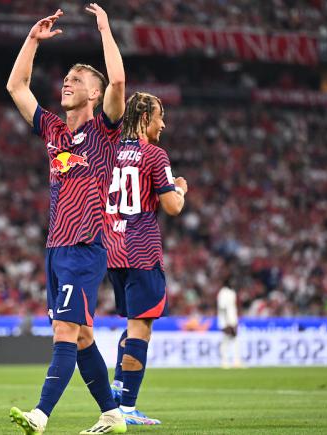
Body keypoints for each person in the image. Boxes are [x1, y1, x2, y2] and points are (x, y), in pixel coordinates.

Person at [5, 4, 126, 434]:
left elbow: (117, 80)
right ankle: (112, 414)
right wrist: (32, 40)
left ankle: (40, 416)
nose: (68, 83)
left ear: (94, 95)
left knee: (63, 330)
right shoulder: (54, 130)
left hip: (85, 245)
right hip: (55, 248)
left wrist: (105, 28)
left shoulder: (104, 131)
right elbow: (16, 85)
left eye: (78, 80)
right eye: (66, 78)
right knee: (82, 337)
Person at [104, 92, 187, 425]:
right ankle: (126, 408)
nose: (163, 123)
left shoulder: (108, 152)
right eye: (159, 116)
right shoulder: (154, 155)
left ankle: (119, 389)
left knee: (132, 324)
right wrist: (179, 187)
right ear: (144, 118)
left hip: (113, 249)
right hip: (141, 249)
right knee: (142, 328)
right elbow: (173, 207)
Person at [217, 277, 242, 369]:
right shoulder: (224, 293)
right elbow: (223, 307)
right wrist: (228, 322)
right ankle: (225, 362)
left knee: (233, 340)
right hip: (226, 321)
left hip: (232, 320)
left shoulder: (231, 292)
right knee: (226, 341)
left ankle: (235, 361)